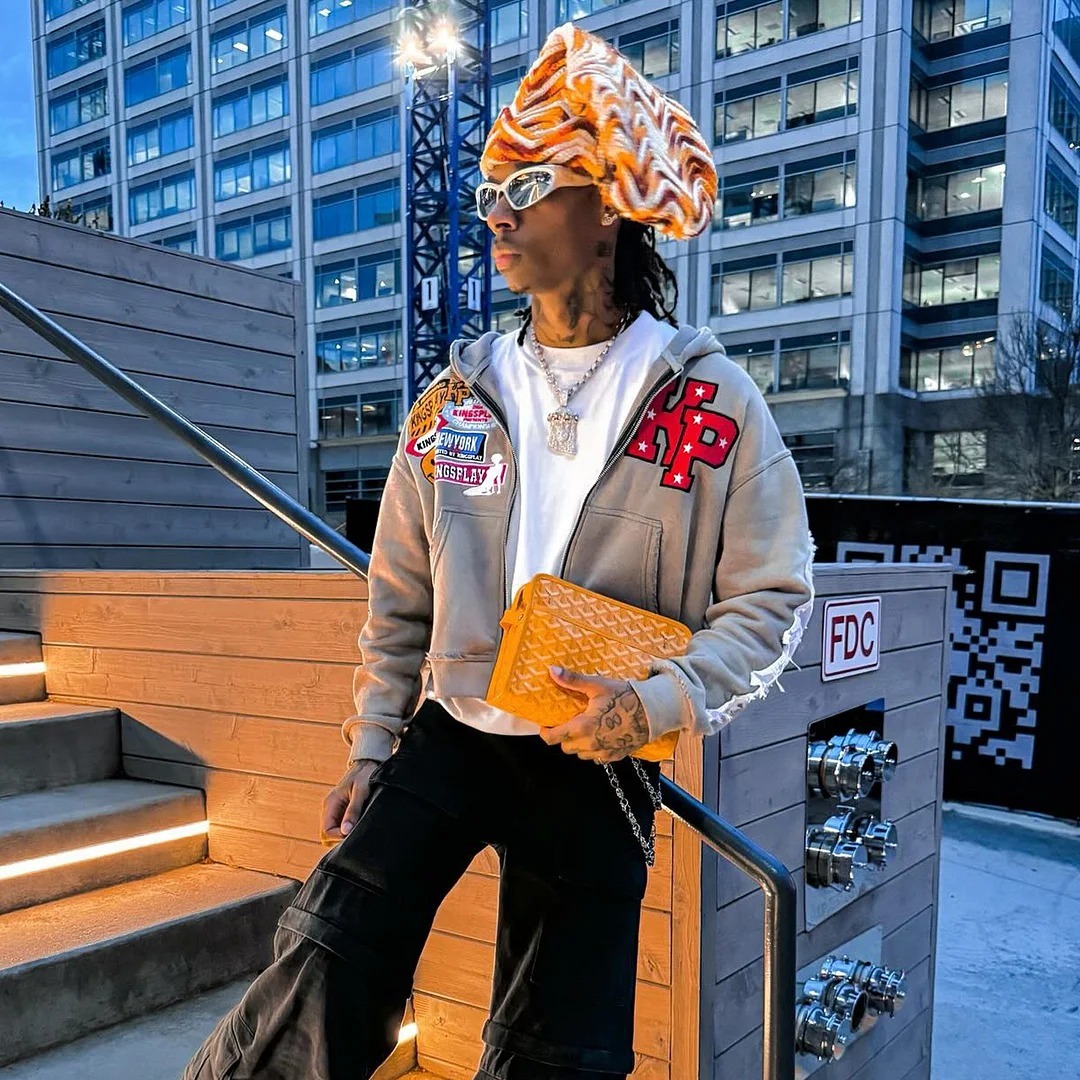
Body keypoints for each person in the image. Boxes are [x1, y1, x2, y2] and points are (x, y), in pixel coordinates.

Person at [181, 22, 814, 1080]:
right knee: (328, 953)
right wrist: (372, 746)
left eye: (524, 189)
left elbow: (771, 600)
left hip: (599, 752)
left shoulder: (711, 403)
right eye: (488, 193)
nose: (494, 216)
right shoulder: (456, 399)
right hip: (454, 727)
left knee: (557, 1045)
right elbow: (400, 599)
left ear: (605, 206)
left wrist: (656, 704)